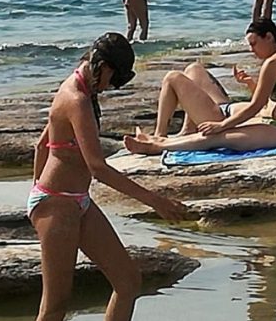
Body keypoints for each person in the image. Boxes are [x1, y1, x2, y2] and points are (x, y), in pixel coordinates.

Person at [29, 33, 187, 321]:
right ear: (102, 65)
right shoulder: (75, 99)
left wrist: (35, 192)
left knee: (128, 282)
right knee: (55, 307)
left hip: (78, 202)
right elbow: (97, 168)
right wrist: (155, 201)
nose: (112, 87)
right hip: (57, 203)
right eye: (114, 80)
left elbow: (42, 144)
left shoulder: (84, 91)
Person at [124, 18, 276, 155]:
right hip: (266, 120)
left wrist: (221, 125)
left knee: (219, 136)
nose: (252, 50)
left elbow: (257, 106)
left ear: (269, 37)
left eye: (254, 44)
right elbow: (273, 101)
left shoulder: (274, 62)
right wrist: (250, 83)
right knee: (193, 69)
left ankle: (158, 143)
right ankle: (178, 134)